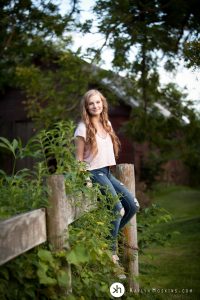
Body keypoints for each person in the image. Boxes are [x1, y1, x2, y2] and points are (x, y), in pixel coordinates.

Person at [74, 89, 139, 264]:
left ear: (103, 104)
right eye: (91, 103)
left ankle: (104, 240)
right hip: (93, 173)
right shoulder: (82, 128)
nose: (95, 106)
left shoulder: (107, 124)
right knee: (118, 209)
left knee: (132, 206)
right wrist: (85, 178)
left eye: (98, 102)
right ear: (86, 107)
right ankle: (111, 253)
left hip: (107, 172)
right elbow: (78, 159)